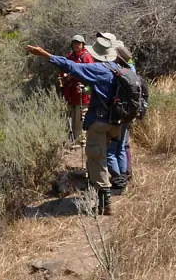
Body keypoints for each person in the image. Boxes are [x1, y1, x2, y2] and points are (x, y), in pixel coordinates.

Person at [24, 38, 133, 215]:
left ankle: (105, 204)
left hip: (99, 123)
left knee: (97, 160)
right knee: (106, 155)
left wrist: (46, 55)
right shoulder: (119, 70)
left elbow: (71, 66)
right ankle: (110, 190)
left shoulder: (99, 69)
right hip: (116, 123)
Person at [96, 33, 137, 189]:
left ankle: (120, 181)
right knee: (122, 146)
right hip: (128, 112)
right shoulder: (130, 70)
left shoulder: (118, 71)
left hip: (119, 114)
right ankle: (125, 176)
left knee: (113, 149)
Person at [60, 35, 95, 147]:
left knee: (81, 118)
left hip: (83, 95)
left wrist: (73, 76)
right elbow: (64, 69)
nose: (76, 45)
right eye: (74, 43)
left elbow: (90, 74)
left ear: (83, 44)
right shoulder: (70, 56)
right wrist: (63, 77)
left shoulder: (87, 57)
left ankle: (81, 141)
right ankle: (73, 140)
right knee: (72, 117)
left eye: (78, 43)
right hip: (70, 94)